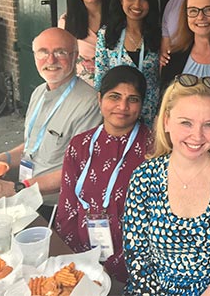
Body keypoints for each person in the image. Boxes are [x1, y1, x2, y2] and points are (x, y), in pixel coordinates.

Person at [123, 74, 210, 296]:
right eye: (186, 122)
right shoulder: (144, 178)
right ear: (166, 121)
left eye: (209, 125)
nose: (197, 136)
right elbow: (136, 256)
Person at [0, 28, 102, 217]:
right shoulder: (39, 92)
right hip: (26, 195)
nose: (51, 60)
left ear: (75, 56)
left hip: (55, 205)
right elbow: (35, 145)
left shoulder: (89, 103)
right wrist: (0, 159)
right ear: (35, 57)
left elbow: (80, 170)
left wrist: (15, 188)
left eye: (60, 52)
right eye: (43, 52)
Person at [55, 65, 152, 285]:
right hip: (83, 262)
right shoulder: (79, 145)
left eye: (133, 99)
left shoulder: (154, 149)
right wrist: (75, 262)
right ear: (99, 99)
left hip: (136, 266)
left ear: (142, 104)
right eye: (114, 97)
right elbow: (67, 206)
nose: (122, 106)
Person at [94, 0, 160, 127]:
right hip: (119, 112)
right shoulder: (106, 34)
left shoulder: (159, 35)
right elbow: (100, 77)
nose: (137, 4)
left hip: (150, 113)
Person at [58, 0, 113, 86]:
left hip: (115, 92)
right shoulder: (66, 22)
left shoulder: (119, 18)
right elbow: (62, 62)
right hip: (81, 92)